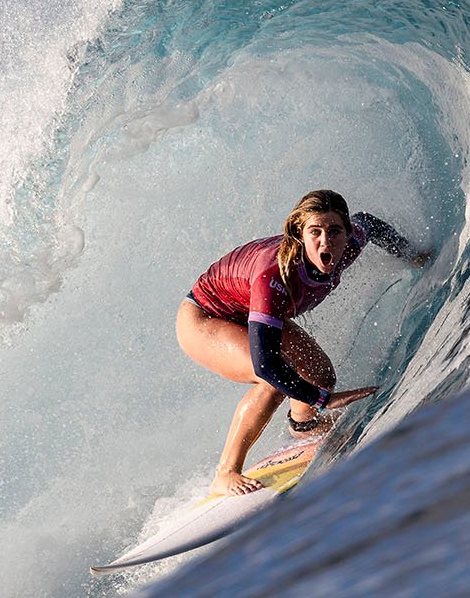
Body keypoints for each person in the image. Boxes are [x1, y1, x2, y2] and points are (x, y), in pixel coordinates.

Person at [177, 189, 429, 496]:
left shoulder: (349, 243)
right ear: (299, 234)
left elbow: (369, 223)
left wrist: (413, 255)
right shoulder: (274, 276)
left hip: (250, 311)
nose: (326, 242)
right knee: (274, 379)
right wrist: (323, 401)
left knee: (320, 375)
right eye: (315, 232)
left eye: (335, 231)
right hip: (204, 318)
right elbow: (266, 364)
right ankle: (227, 471)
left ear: (347, 233)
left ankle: (303, 427)